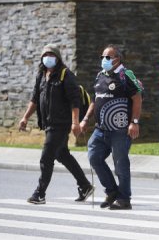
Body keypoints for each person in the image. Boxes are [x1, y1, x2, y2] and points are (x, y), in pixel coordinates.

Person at [18, 44, 95, 204]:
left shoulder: (65, 75)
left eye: (51, 55)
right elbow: (34, 98)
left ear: (58, 58)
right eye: (45, 54)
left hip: (61, 124)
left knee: (46, 157)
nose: (48, 58)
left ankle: (40, 193)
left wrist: (75, 123)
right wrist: (25, 117)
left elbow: (75, 101)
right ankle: (85, 185)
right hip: (48, 123)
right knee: (62, 155)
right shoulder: (42, 74)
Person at [78, 44, 143, 210]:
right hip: (101, 129)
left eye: (108, 57)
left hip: (120, 130)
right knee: (94, 157)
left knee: (120, 163)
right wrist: (85, 119)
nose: (104, 60)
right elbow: (95, 99)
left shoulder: (125, 74)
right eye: (102, 57)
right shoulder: (100, 75)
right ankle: (112, 191)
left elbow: (137, 98)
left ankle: (124, 199)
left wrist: (134, 122)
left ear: (117, 59)